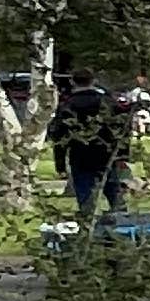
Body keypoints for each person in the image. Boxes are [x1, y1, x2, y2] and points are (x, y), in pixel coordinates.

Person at [49, 78, 131, 225]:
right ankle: (123, 224)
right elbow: (121, 127)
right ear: (93, 81)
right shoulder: (106, 102)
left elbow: (60, 137)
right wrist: (123, 154)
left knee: (85, 194)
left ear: (73, 82)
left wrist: (60, 163)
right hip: (107, 153)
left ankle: (88, 224)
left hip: (80, 155)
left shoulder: (68, 105)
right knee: (113, 191)